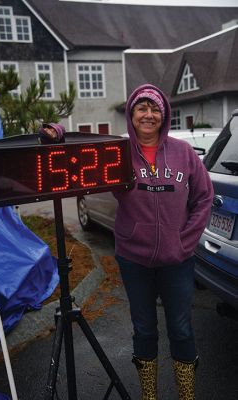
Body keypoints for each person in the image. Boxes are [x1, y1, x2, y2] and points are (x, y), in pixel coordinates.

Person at [114, 84, 213, 400]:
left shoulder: (183, 153)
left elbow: (204, 197)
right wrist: (56, 131)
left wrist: (185, 242)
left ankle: (186, 396)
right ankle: (149, 396)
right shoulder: (118, 154)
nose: (148, 114)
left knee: (181, 330)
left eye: (154, 108)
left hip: (178, 260)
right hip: (134, 260)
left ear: (164, 115)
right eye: (141, 108)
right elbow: (76, 150)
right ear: (131, 114)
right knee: (144, 330)